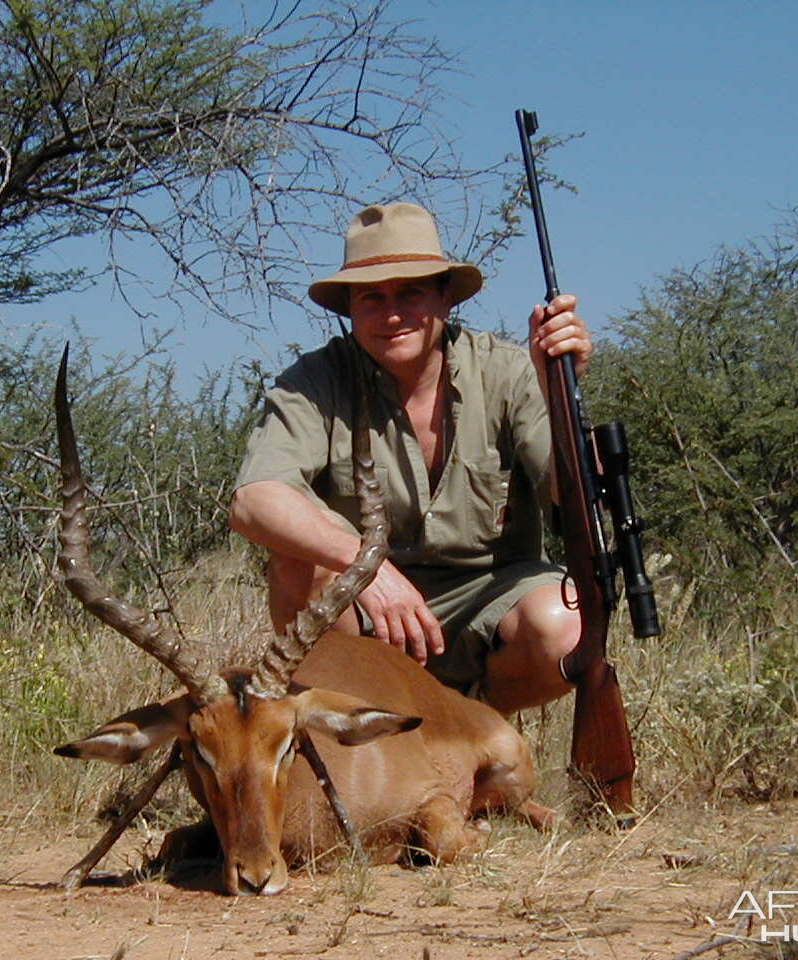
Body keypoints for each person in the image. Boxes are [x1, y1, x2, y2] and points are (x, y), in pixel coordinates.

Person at [229, 201, 592, 715]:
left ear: (446, 297)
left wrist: (561, 392)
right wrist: (369, 567)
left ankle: (468, 732)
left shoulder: (509, 371)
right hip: (369, 612)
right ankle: (361, 731)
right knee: (296, 564)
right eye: (372, 297)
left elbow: (574, 501)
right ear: (350, 307)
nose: (392, 314)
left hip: (489, 597)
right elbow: (253, 501)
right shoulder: (314, 381)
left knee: (564, 625)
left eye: (411, 292)